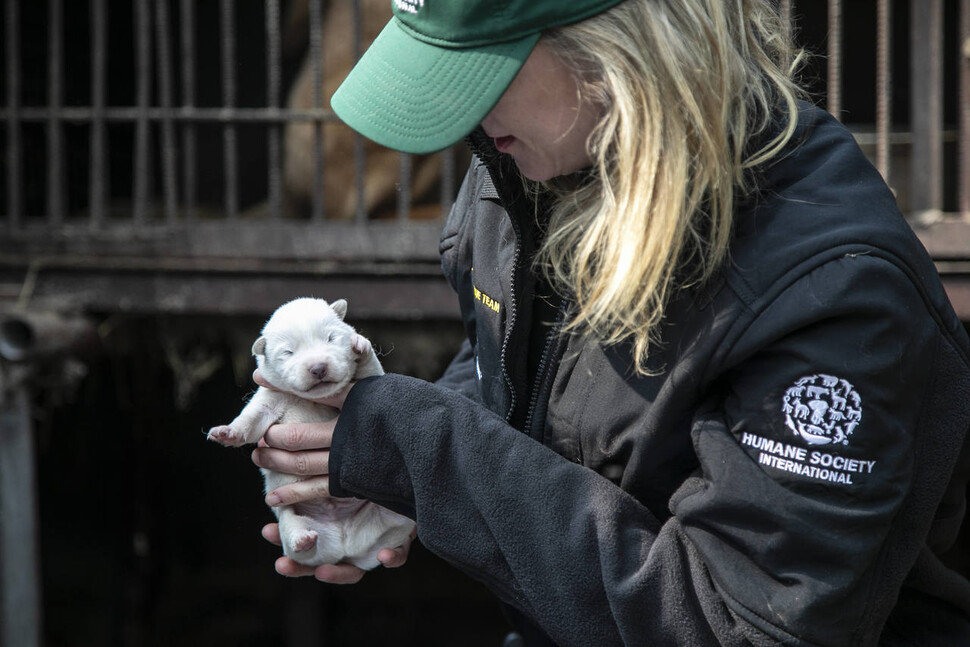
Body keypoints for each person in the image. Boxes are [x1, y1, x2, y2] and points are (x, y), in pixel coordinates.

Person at [250, 0, 970, 644]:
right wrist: (399, 484)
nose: (466, 118)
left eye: (480, 73)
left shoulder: (829, 295)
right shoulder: (532, 159)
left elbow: (742, 625)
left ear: (613, 46)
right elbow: (515, 371)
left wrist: (429, 449)